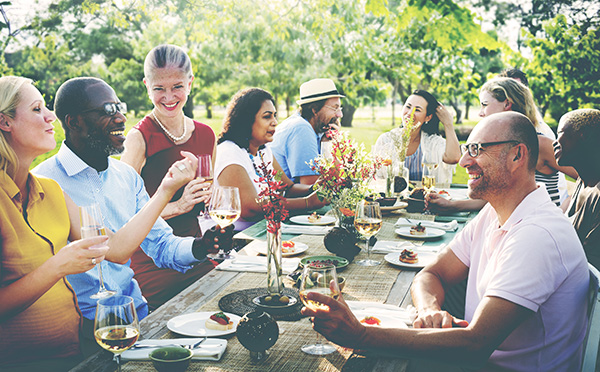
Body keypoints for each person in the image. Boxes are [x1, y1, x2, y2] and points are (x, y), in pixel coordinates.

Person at [303, 112, 589, 371]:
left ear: (517, 155)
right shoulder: (496, 211)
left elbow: (474, 345)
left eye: (476, 150)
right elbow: (432, 273)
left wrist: (361, 335)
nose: (464, 161)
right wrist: (429, 311)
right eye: (467, 149)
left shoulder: (538, 235)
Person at [0, 76, 190, 370]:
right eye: (38, 109)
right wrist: (59, 265)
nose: (51, 116)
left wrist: (166, 188)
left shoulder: (49, 190)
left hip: (73, 352)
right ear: (5, 122)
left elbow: (115, 249)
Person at [33, 77, 233, 348]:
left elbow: (161, 245)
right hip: (79, 332)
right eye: (107, 111)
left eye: (119, 107)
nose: (120, 118)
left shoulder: (127, 177)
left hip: (136, 318)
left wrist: (200, 247)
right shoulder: (43, 183)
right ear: (74, 122)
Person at [120, 44, 218, 309]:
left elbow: (210, 204)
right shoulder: (139, 139)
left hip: (199, 253)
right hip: (152, 265)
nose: (169, 97)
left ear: (190, 83)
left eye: (177, 86)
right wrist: (179, 206)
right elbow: (122, 218)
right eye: (158, 89)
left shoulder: (207, 135)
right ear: (146, 86)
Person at [427, 77, 578, 212]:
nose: (480, 113)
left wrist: (565, 210)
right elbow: (493, 195)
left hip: (538, 227)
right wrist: (451, 205)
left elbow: (590, 177)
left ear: (507, 104)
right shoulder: (498, 145)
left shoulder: (539, 144)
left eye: (484, 105)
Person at [215, 88, 324, 230]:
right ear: (247, 120)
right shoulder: (229, 152)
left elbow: (287, 188)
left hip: (267, 228)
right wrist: (307, 203)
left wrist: (316, 189)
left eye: (274, 116)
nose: (274, 122)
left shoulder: (263, 151)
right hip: (237, 236)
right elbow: (250, 208)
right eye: (267, 116)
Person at [372, 89, 461, 184]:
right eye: (408, 107)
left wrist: (448, 124)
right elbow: (376, 178)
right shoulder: (386, 140)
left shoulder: (432, 143)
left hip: (425, 198)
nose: (410, 113)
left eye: (417, 110)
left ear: (428, 117)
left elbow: (454, 158)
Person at [270, 78, 343, 184]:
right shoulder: (301, 129)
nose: (340, 115)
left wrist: (328, 144)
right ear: (315, 110)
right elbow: (312, 188)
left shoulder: (316, 129)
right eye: (334, 108)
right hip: (289, 198)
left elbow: (334, 177)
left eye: (340, 108)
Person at [554, 108, 600, 269]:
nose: (555, 142)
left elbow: (591, 266)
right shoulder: (584, 180)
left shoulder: (598, 195)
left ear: (584, 135)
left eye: (559, 133)